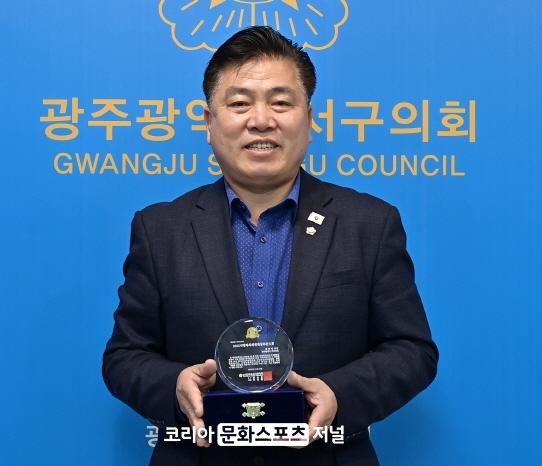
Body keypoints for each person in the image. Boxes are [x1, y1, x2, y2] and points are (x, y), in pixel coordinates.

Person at [103, 26, 438, 466]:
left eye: (281, 103)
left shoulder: (369, 223)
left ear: (309, 119)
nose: (261, 120)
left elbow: (412, 350)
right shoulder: (161, 228)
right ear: (208, 123)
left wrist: (339, 393)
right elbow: (125, 356)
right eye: (240, 103)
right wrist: (175, 386)